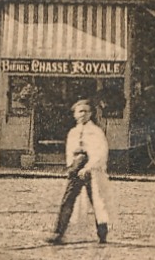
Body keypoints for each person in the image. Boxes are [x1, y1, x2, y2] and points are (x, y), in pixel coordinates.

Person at [46, 99, 111, 245]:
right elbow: (69, 150)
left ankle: (102, 232)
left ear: (90, 114)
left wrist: (88, 167)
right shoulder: (73, 132)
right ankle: (58, 232)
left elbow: (100, 152)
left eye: (86, 111)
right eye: (79, 111)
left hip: (91, 168)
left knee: (96, 200)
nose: (83, 114)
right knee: (68, 199)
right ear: (75, 114)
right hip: (77, 166)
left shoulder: (96, 132)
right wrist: (71, 166)